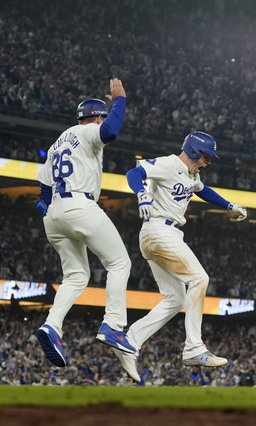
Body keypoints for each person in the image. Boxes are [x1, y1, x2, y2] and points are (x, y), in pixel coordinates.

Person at [112, 131, 248, 382]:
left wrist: (229, 206)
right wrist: (142, 195)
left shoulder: (190, 175)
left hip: (163, 235)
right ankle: (194, 348)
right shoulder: (170, 163)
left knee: (175, 299)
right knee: (199, 279)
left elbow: (203, 190)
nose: (208, 163)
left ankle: (129, 341)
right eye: (206, 157)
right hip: (159, 230)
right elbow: (134, 173)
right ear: (195, 151)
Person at [35, 78, 137, 368]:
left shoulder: (57, 143)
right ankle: (113, 325)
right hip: (80, 204)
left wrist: (51, 211)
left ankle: (52, 326)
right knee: (119, 264)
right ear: (95, 116)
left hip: (55, 213)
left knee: (77, 276)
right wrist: (120, 100)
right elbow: (111, 132)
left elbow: (43, 187)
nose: (105, 118)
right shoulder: (90, 130)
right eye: (102, 114)